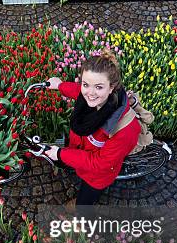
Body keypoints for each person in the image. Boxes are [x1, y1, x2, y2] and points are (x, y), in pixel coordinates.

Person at [43, 49, 140, 205]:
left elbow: (99, 164)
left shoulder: (125, 130)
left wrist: (61, 154)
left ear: (112, 88)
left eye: (99, 87)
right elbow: (78, 92)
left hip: (97, 176)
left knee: (85, 202)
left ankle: (82, 221)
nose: (90, 93)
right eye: (86, 84)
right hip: (81, 156)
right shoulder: (90, 98)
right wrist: (60, 86)